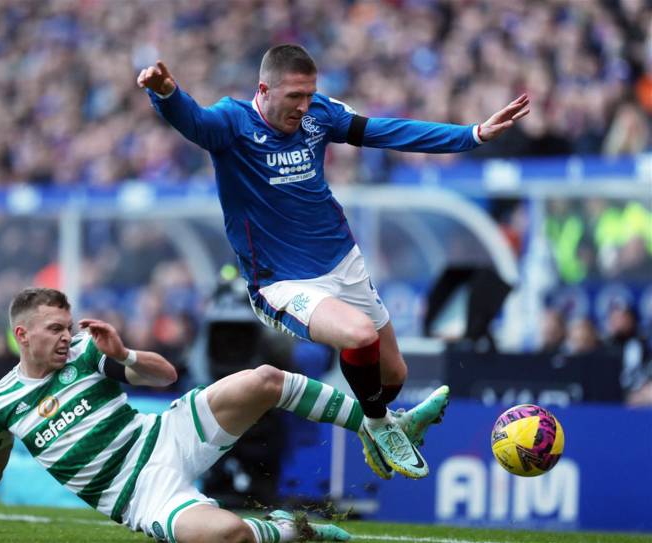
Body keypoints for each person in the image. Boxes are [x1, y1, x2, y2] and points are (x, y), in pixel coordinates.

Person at [137, 43, 529, 479]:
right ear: (264, 89)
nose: (304, 107)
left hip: (344, 263)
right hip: (282, 282)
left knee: (393, 374)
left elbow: (385, 131)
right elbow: (195, 121)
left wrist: (471, 135)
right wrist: (166, 92)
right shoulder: (232, 122)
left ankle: (381, 425)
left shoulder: (318, 113)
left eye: (310, 95)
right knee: (360, 337)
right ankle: (381, 427)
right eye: (294, 97)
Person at [0, 287, 447, 543]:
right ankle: (295, 533)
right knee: (227, 534)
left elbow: (164, 377)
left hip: (165, 436)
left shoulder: (89, 354)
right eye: (54, 330)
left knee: (264, 379)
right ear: (22, 335)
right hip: (141, 497)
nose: (66, 337)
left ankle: (380, 424)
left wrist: (124, 356)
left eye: (68, 327)